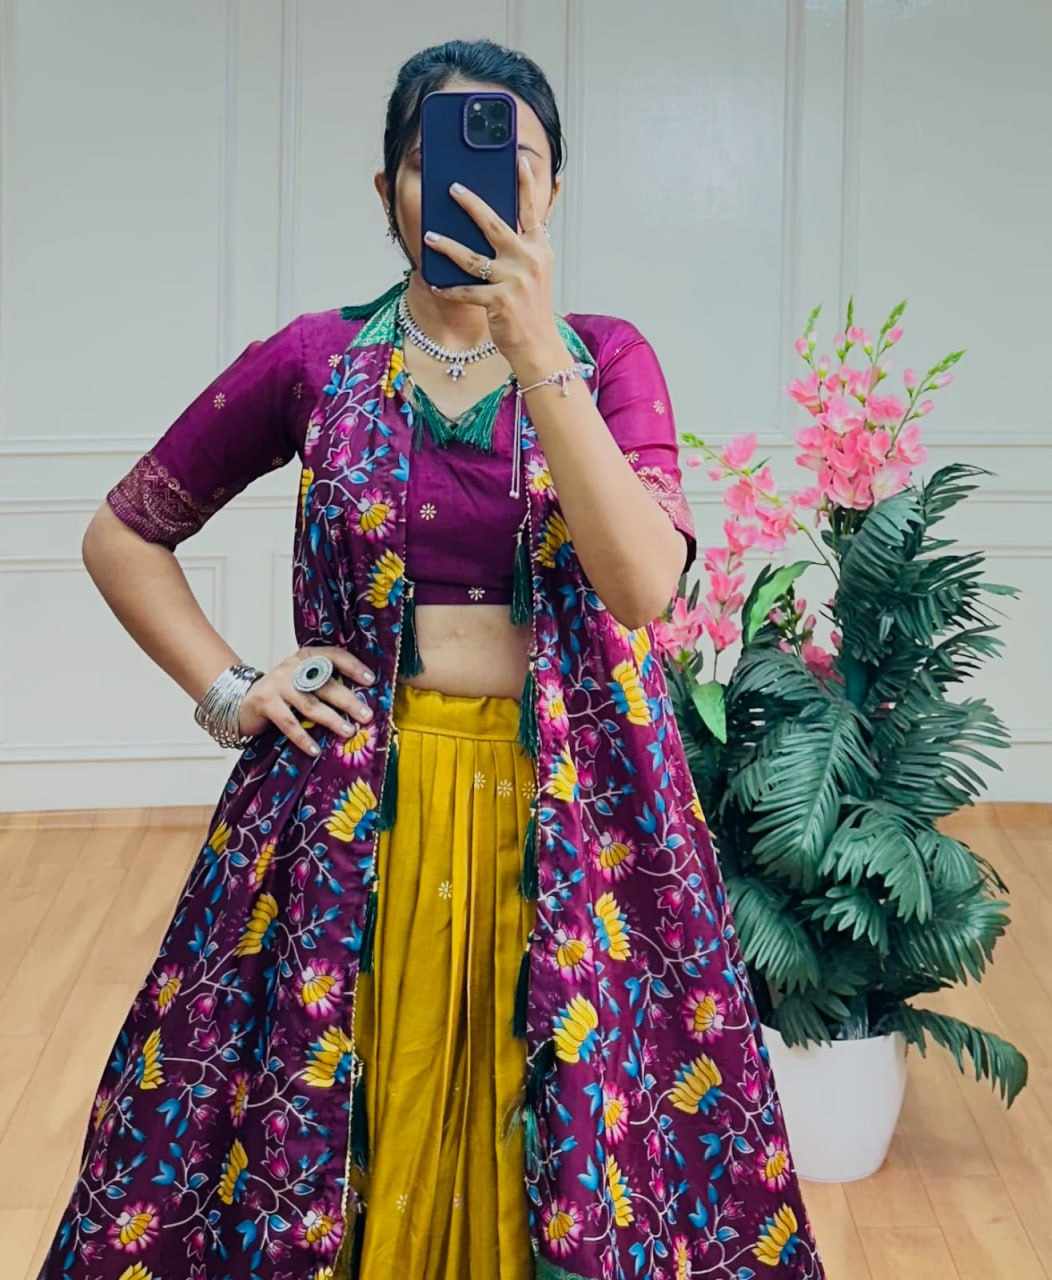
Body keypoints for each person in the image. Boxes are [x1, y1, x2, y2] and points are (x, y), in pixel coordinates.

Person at [36, 37, 826, 1280]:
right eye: (427, 160)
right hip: (351, 811)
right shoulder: (315, 360)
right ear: (385, 191)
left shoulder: (606, 358)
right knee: (324, 1117)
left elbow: (639, 587)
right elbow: (123, 533)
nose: (463, 186)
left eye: (511, 161)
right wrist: (234, 689)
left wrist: (535, 347)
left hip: (580, 814)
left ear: (552, 190)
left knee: (577, 1128)